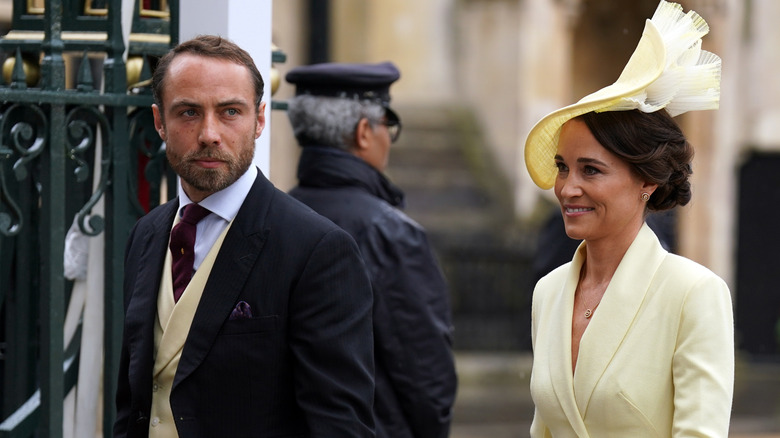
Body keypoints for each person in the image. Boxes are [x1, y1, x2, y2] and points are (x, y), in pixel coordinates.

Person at [114, 35, 375, 438]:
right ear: (159, 122)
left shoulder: (316, 249)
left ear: (260, 120)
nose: (209, 133)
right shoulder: (146, 235)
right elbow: (133, 402)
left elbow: (339, 426)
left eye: (230, 111)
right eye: (188, 112)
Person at [523, 1, 734, 436]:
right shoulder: (548, 293)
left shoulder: (693, 293)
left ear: (647, 182)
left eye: (591, 170)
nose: (567, 188)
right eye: (563, 167)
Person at [285, 62, 457, 438]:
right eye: (387, 125)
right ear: (365, 132)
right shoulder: (389, 233)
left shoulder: (268, 220)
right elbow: (428, 379)